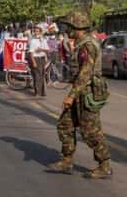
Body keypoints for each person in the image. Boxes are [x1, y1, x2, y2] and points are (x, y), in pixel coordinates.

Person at [48, 11, 112, 179]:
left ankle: (104, 165)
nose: (67, 29)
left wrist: (71, 96)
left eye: (69, 26)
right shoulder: (79, 42)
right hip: (79, 91)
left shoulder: (88, 45)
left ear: (77, 26)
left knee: (91, 131)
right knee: (65, 124)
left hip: (88, 94)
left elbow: (85, 73)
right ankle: (67, 160)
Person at [29, 25, 49, 97]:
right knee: (37, 76)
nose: (36, 32)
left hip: (42, 58)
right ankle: (37, 92)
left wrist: (44, 53)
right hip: (36, 58)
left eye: (38, 31)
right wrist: (33, 61)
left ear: (40, 32)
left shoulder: (43, 39)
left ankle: (42, 92)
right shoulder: (33, 40)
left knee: (42, 75)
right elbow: (31, 52)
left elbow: (46, 49)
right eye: (35, 31)